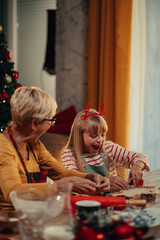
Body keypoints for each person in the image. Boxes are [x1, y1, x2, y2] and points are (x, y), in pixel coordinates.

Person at [0, 87, 110, 210]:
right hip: (9, 221)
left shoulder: (34, 144)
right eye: (51, 120)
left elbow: (61, 174)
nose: (52, 124)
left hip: (32, 213)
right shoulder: (3, 147)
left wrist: (90, 177)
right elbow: (13, 192)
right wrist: (56, 187)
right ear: (34, 123)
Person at [61, 103, 150, 190]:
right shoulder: (69, 154)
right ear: (79, 136)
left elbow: (141, 157)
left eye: (103, 135)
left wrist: (137, 166)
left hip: (112, 198)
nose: (100, 140)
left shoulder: (108, 148)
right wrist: (108, 180)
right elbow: (74, 180)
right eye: (93, 136)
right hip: (86, 201)